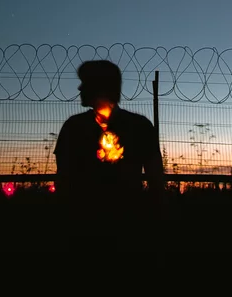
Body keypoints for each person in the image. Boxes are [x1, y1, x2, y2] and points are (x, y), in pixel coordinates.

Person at [54, 60, 165, 215]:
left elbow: (156, 181)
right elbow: (63, 179)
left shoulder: (139, 126)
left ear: (100, 86)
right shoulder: (73, 127)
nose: (80, 88)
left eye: (85, 82)